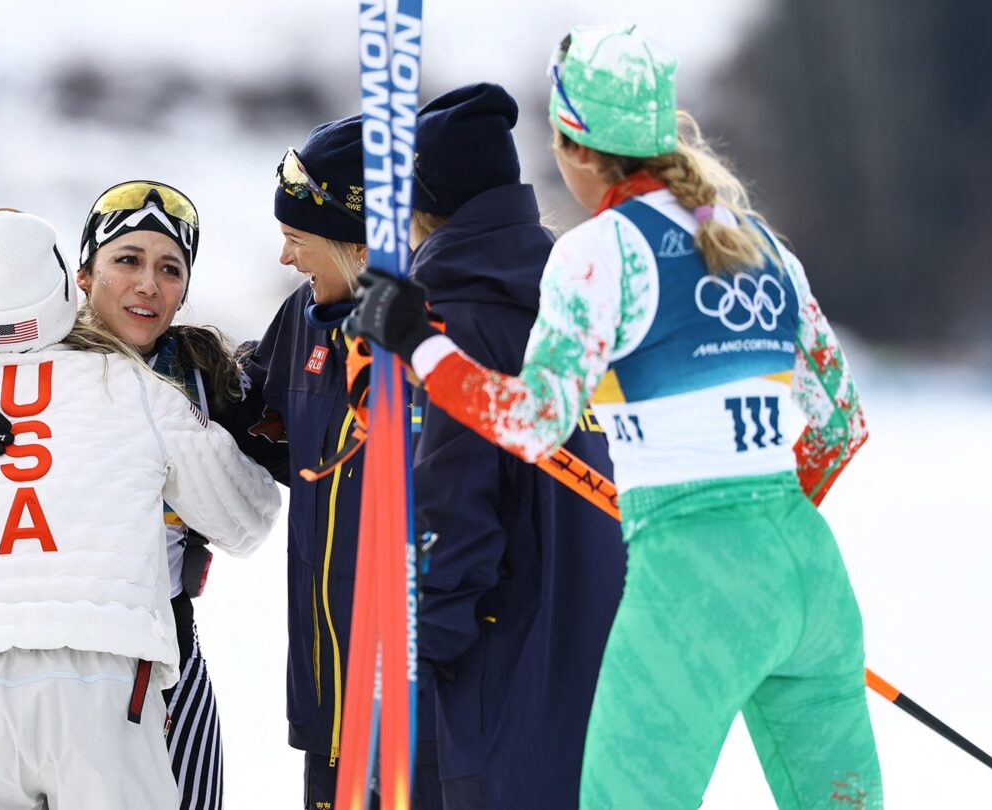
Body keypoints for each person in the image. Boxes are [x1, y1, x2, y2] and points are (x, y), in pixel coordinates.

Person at [348, 25, 880, 809]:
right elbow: (842, 427)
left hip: (690, 581)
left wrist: (418, 344)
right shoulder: (760, 243)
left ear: (576, 146)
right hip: (809, 575)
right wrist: (765, 539)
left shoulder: (600, 252)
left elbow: (532, 422)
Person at [0, 208, 280, 808]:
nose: (147, 283)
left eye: (168, 268)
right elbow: (249, 517)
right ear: (79, 279)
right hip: (113, 668)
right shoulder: (137, 389)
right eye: (127, 260)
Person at [405, 82, 626, 808]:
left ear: (424, 207)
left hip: (504, 694)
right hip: (608, 681)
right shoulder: (577, 306)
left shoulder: (457, 325)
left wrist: (416, 657)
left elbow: (458, 516)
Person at [218, 115, 440, 808]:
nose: (286, 260)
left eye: (296, 241)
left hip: (411, 695)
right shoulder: (300, 318)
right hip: (325, 683)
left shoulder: (431, 332)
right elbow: (266, 424)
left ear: (355, 244)